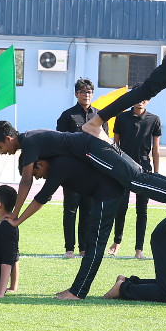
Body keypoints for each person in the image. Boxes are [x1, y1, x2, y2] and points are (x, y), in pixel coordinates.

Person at [0, 121, 166, 227]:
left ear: (8, 139)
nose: (1, 152)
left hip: (91, 149)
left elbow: (26, 181)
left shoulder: (28, 142)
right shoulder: (31, 138)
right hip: (92, 147)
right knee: (141, 176)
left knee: (136, 181)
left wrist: (15, 215)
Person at [9, 155, 124, 301]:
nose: (37, 178)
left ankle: (77, 292)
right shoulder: (60, 164)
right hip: (103, 193)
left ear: (41, 164)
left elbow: (42, 197)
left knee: (95, 245)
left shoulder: (59, 166)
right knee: (92, 245)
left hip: (108, 192)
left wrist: (17, 220)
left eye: (35, 174)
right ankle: (76, 289)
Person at [109, 99, 162, 259]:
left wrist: (156, 173)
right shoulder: (121, 118)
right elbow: (115, 146)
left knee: (142, 210)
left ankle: (139, 249)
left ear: (148, 100)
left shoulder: (154, 119)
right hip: (123, 169)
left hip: (144, 169)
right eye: (139, 97)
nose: (141, 101)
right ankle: (117, 241)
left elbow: (156, 149)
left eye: (145, 98)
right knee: (121, 207)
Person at [55, 79, 97, 259]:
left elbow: (104, 142)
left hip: (92, 171)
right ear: (76, 94)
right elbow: (59, 142)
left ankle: (84, 248)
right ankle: (69, 248)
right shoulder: (67, 116)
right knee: (70, 210)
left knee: (88, 211)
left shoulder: (98, 116)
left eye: (89, 92)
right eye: (82, 92)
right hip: (71, 172)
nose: (86, 95)